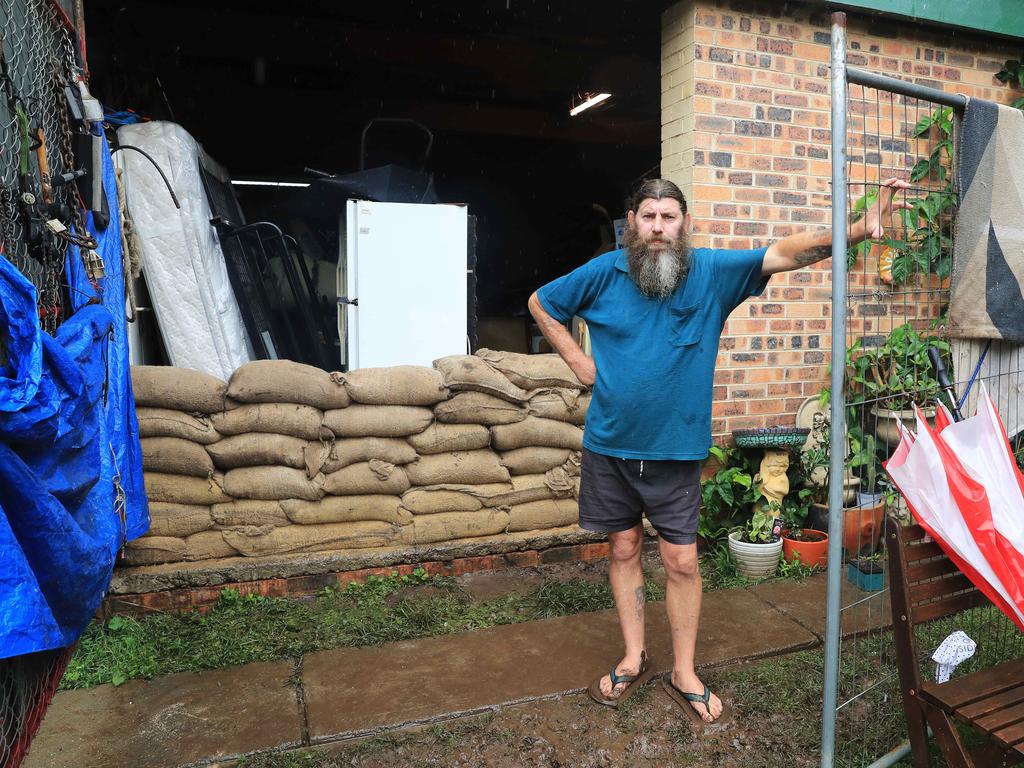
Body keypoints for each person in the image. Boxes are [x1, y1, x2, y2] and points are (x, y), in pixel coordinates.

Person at [527, 176, 908, 723]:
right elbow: (542, 303)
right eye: (649, 216)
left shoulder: (708, 273)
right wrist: (578, 361)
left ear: (684, 223)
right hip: (610, 446)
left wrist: (856, 232)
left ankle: (684, 670)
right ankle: (634, 656)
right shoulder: (602, 273)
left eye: (669, 217)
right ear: (631, 222)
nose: (658, 228)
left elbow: (782, 253)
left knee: (681, 560)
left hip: (676, 453)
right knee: (624, 550)